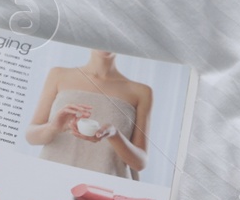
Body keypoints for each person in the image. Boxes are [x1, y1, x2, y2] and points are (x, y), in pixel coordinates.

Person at [25, 50, 151, 178]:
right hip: (50, 177)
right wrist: (53, 127)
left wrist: (115, 135)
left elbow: (140, 163)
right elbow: (31, 137)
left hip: (103, 186)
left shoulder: (141, 92)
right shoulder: (58, 75)